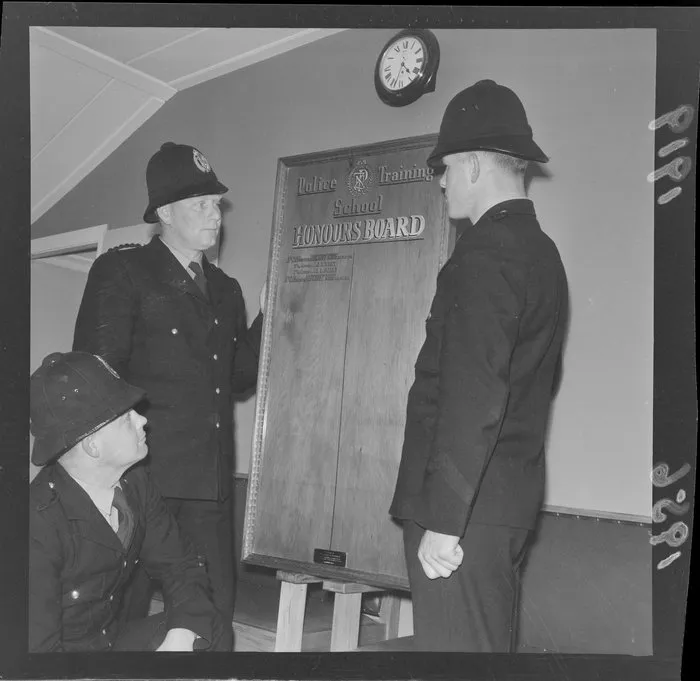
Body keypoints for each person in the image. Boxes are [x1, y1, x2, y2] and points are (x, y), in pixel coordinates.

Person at [389, 79, 569, 652]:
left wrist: (444, 520)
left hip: (463, 516)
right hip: (499, 506)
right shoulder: (540, 251)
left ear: (470, 165)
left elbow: (475, 393)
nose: (440, 181)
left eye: (443, 167)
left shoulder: (484, 253)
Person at [72, 142, 264, 650]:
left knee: (214, 615)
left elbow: (240, 375)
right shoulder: (124, 272)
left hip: (209, 484)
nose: (214, 214)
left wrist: (274, 311)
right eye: (199, 203)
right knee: (119, 613)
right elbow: (96, 376)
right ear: (164, 213)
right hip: (142, 479)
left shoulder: (226, 289)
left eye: (216, 203)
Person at [29, 351, 226, 652]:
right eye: (125, 417)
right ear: (92, 444)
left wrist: (181, 636)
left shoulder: (135, 483)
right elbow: (37, 657)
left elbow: (181, 565)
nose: (142, 419)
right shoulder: (35, 523)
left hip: (109, 644)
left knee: (208, 630)